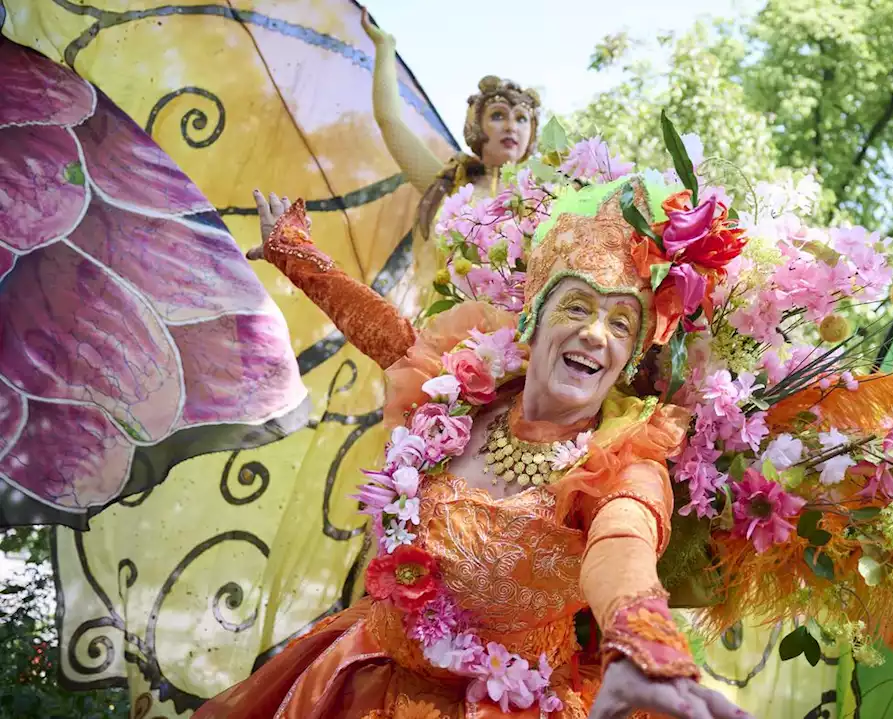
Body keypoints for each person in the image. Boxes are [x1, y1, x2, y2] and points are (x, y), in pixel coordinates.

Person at [195, 179, 750, 718]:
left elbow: (624, 546)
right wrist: (293, 252)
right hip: (359, 673)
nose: (595, 334)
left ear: (629, 359)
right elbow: (383, 333)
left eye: (621, 323)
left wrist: (640, 645)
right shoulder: (466, 388)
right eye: (577, 308)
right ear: (533, 318)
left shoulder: (624, 463)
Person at [361, 9, 540, 318]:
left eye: (522, 118)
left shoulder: (549, 196)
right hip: (447, 337)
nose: (511, 125)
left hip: (519, 339)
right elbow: (389, 121)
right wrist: (385, 47)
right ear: (476, 126)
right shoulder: (450, 185)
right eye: (498, 115)